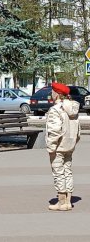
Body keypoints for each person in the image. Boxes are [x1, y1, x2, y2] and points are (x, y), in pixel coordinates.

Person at [46, 82, 80, 211]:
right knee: (68, 172)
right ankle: (68, 202)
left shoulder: (56, 110)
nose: (51, 94)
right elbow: (78, 130)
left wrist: (51, 148)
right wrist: (73, 142)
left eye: (53, 92)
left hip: (58, 147)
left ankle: (61, 203)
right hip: (69, 146)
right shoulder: (73, 108)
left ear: (58, 94)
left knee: (58, 173)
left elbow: (54, 131)